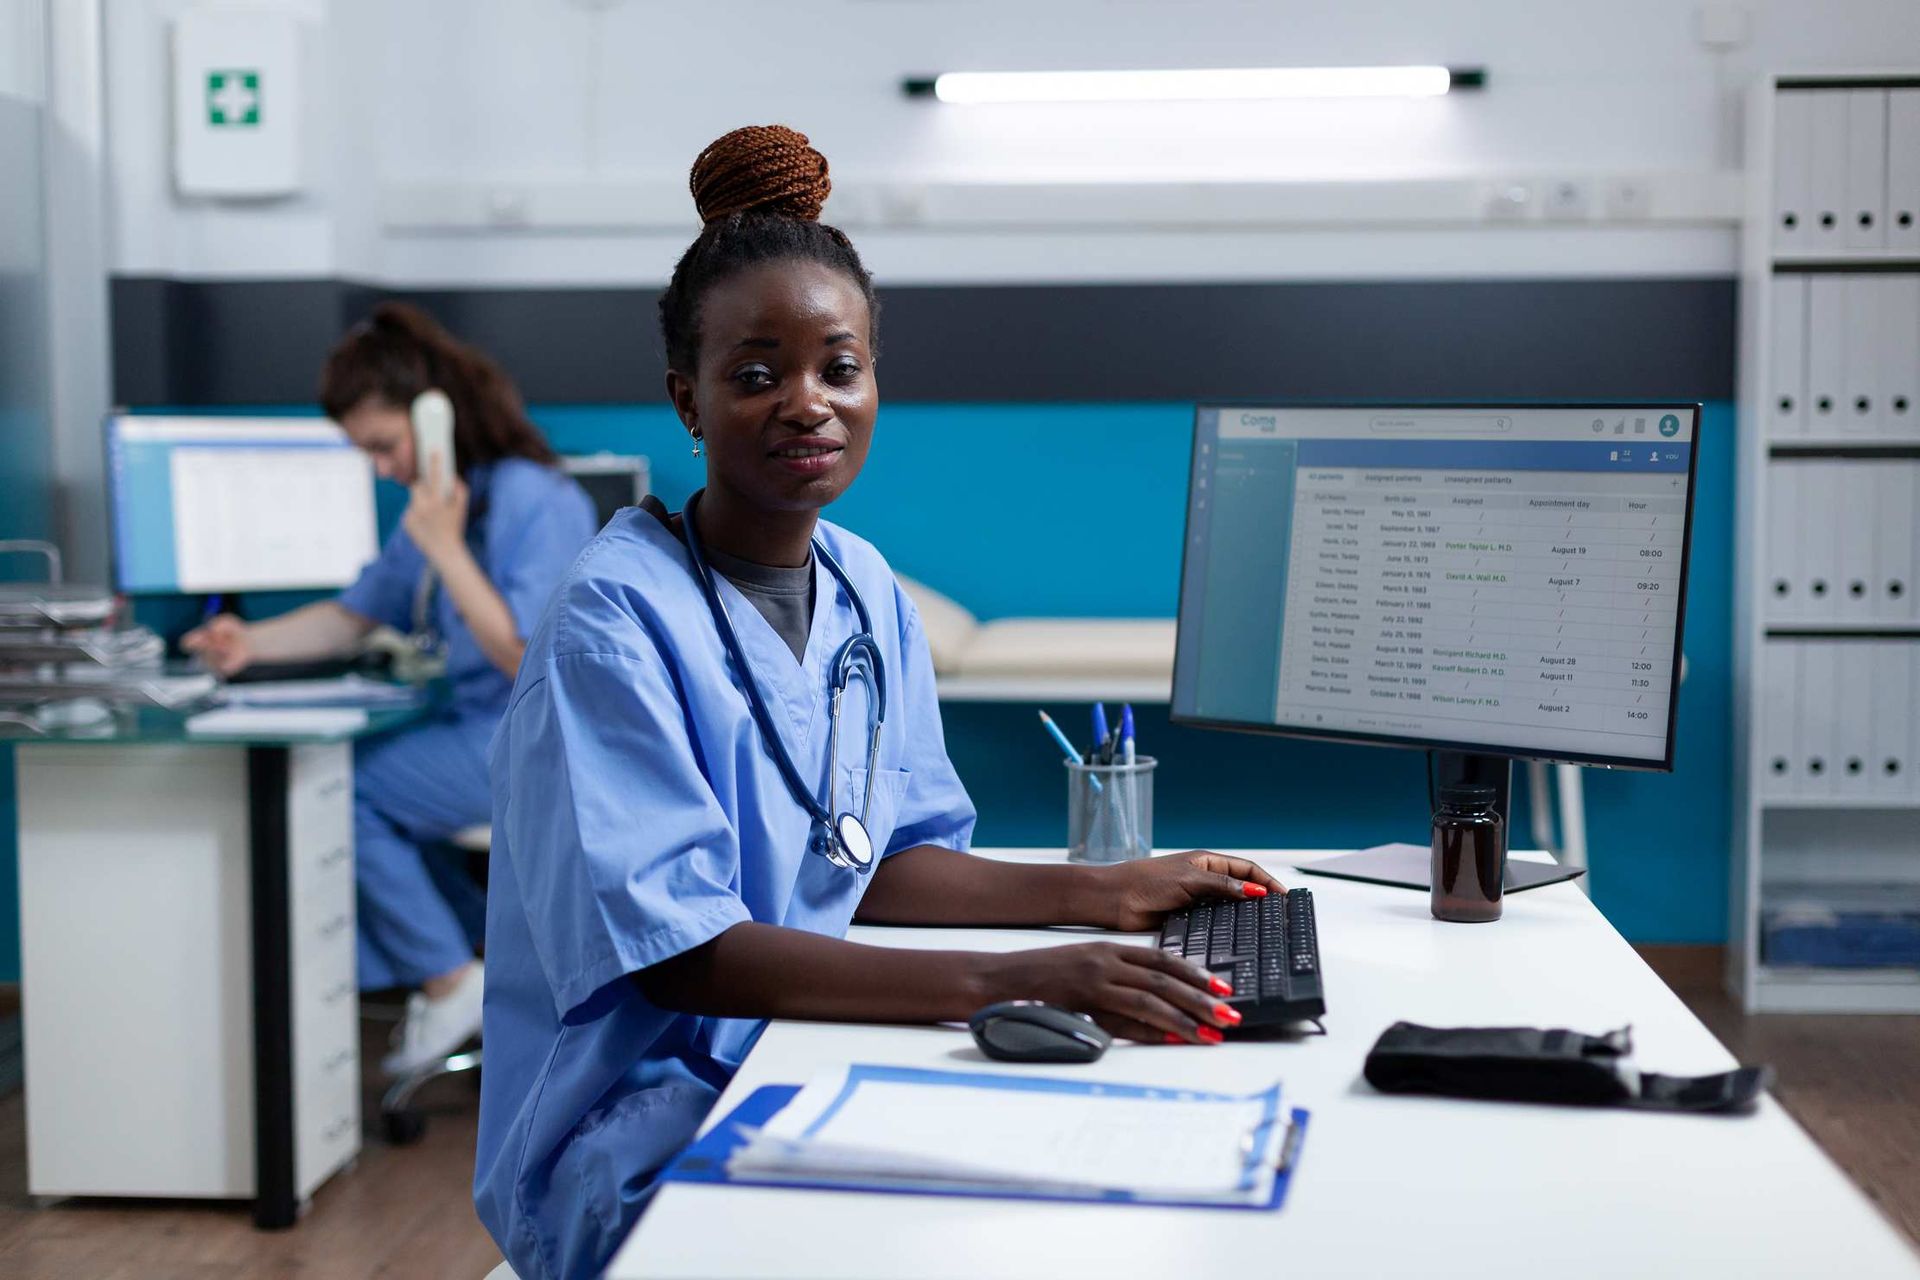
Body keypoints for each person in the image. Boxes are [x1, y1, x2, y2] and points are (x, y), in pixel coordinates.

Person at [477, 126, 1282, 1280]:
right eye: (756, 374)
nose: (806, 403)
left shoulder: (865, 585)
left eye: (837, 368)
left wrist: (1103, 892)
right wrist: (1019, 975)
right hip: (643, 1128)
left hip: (809, 1052)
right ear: (687, 401)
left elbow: (872, 862)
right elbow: (682, 957)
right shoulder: (611, 623)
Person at [184, 303, 600, 1077]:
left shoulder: (536, 500)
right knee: (373, 794)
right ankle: (483, 973)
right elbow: (353, 614)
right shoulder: (443, 505)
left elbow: (520, 654)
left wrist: (444, 546)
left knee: (345, 792)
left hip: (540, 738)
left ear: (436, 415)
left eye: (383, 446)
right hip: (482, 730)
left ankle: (448, 980)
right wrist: (248, 645)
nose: (381, 469)